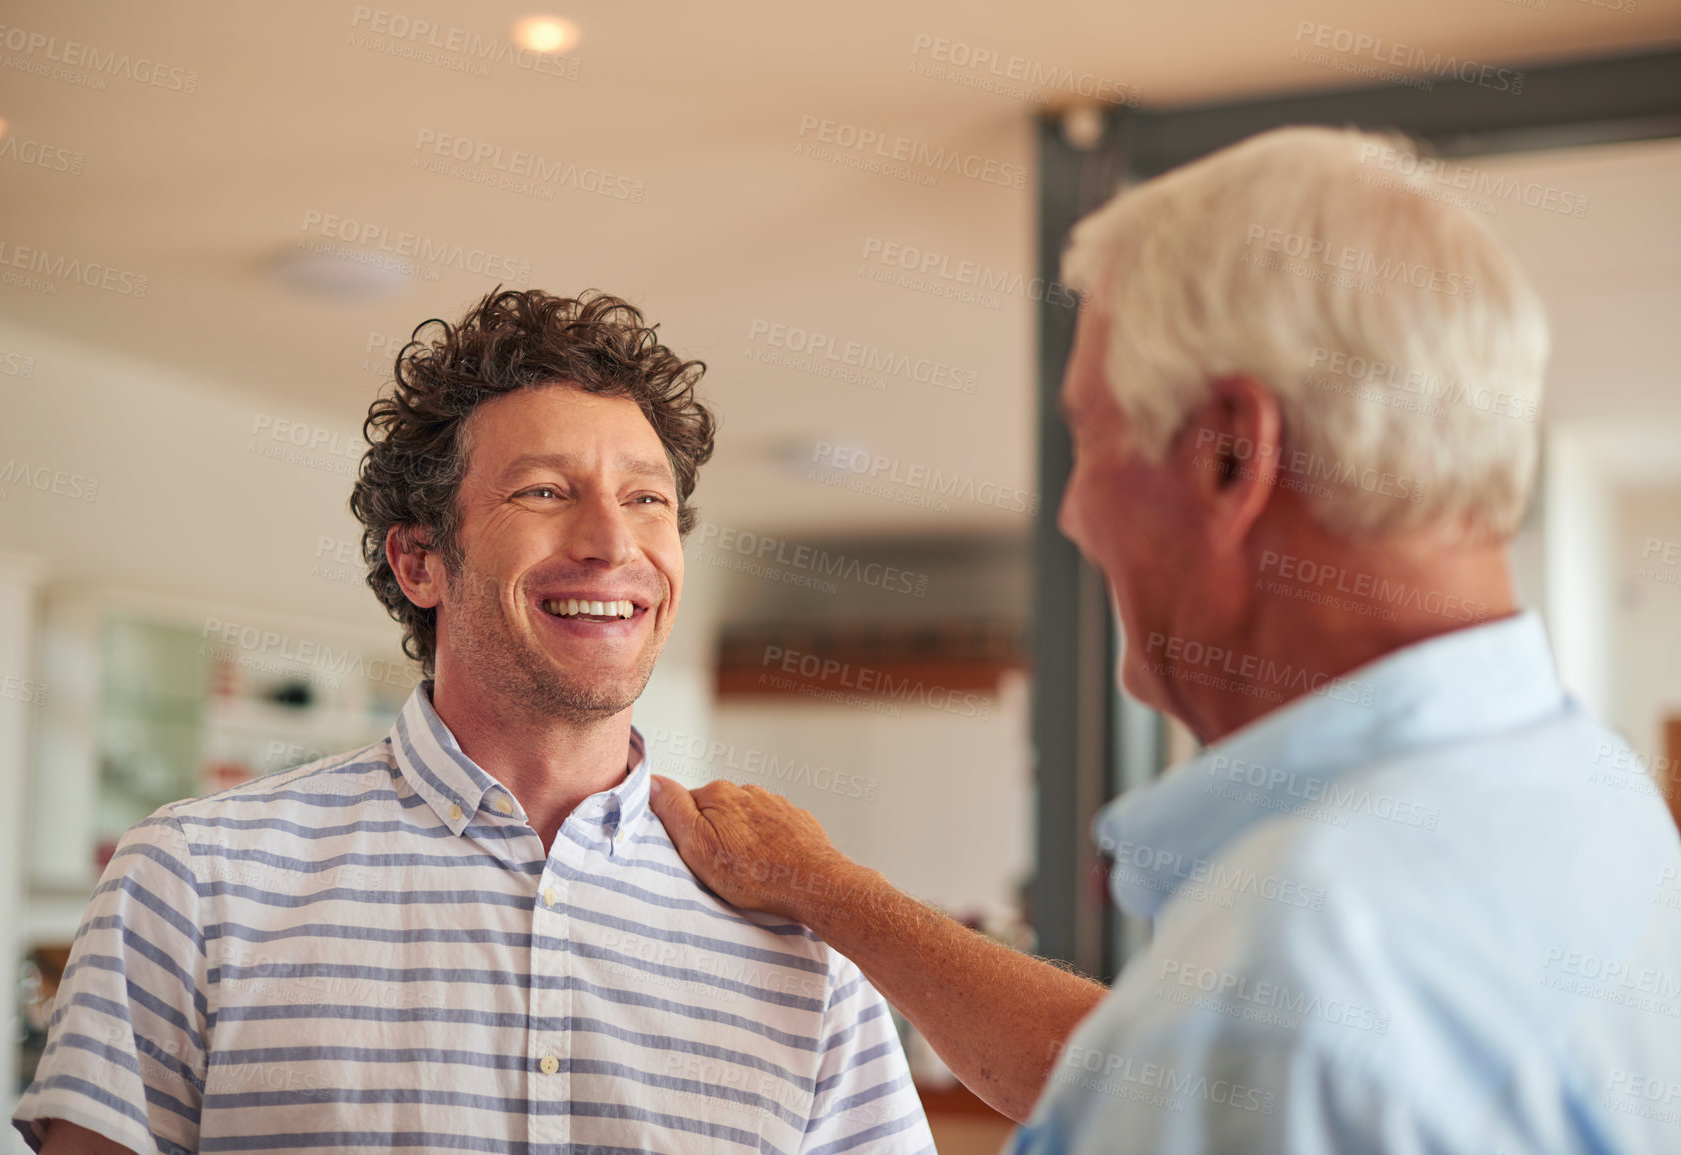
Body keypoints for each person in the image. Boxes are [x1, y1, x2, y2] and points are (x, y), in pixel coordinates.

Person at [648, 126, 1681, 1152]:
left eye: (1091, 439)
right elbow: (1143, 1067)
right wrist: (833, 892)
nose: (1074, 514)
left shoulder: (1292, 980)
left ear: (1232, 457)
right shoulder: (1595, 807)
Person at [16, 289, 936, 1154]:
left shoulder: (804, 934)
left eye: (646, 497)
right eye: (542, 491)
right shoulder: (192, 881)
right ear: (420, 561)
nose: (613, 543)